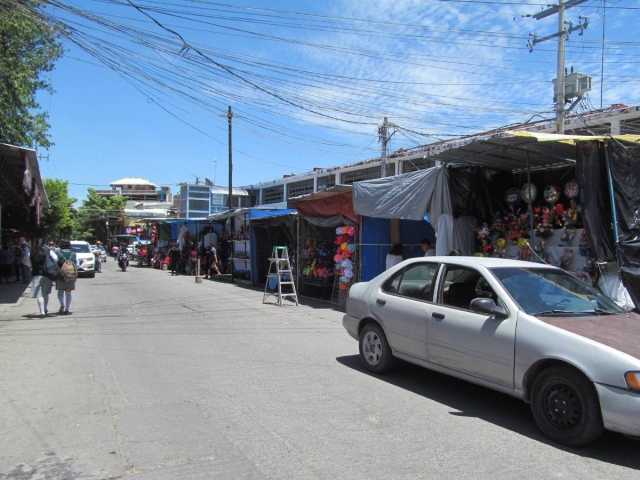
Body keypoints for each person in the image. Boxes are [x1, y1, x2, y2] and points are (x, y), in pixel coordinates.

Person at [29, 241, 56, 318]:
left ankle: (42, 312)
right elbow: (56, 258)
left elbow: (29, 264)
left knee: (39, 294)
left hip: (36, 274)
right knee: (46, 293)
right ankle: (45, 309)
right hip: (47, 274)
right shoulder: (48, 251)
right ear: (44, 244)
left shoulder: (32, 252)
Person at [55, 239, 78, 315]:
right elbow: (76, 265)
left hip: (60, 274)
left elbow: (55, 264)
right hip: (70, 275)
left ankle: (62, 303)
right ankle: (67, 309)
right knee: (68, 292)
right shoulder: (73, 254)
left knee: (60, 292)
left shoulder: (58, 254)